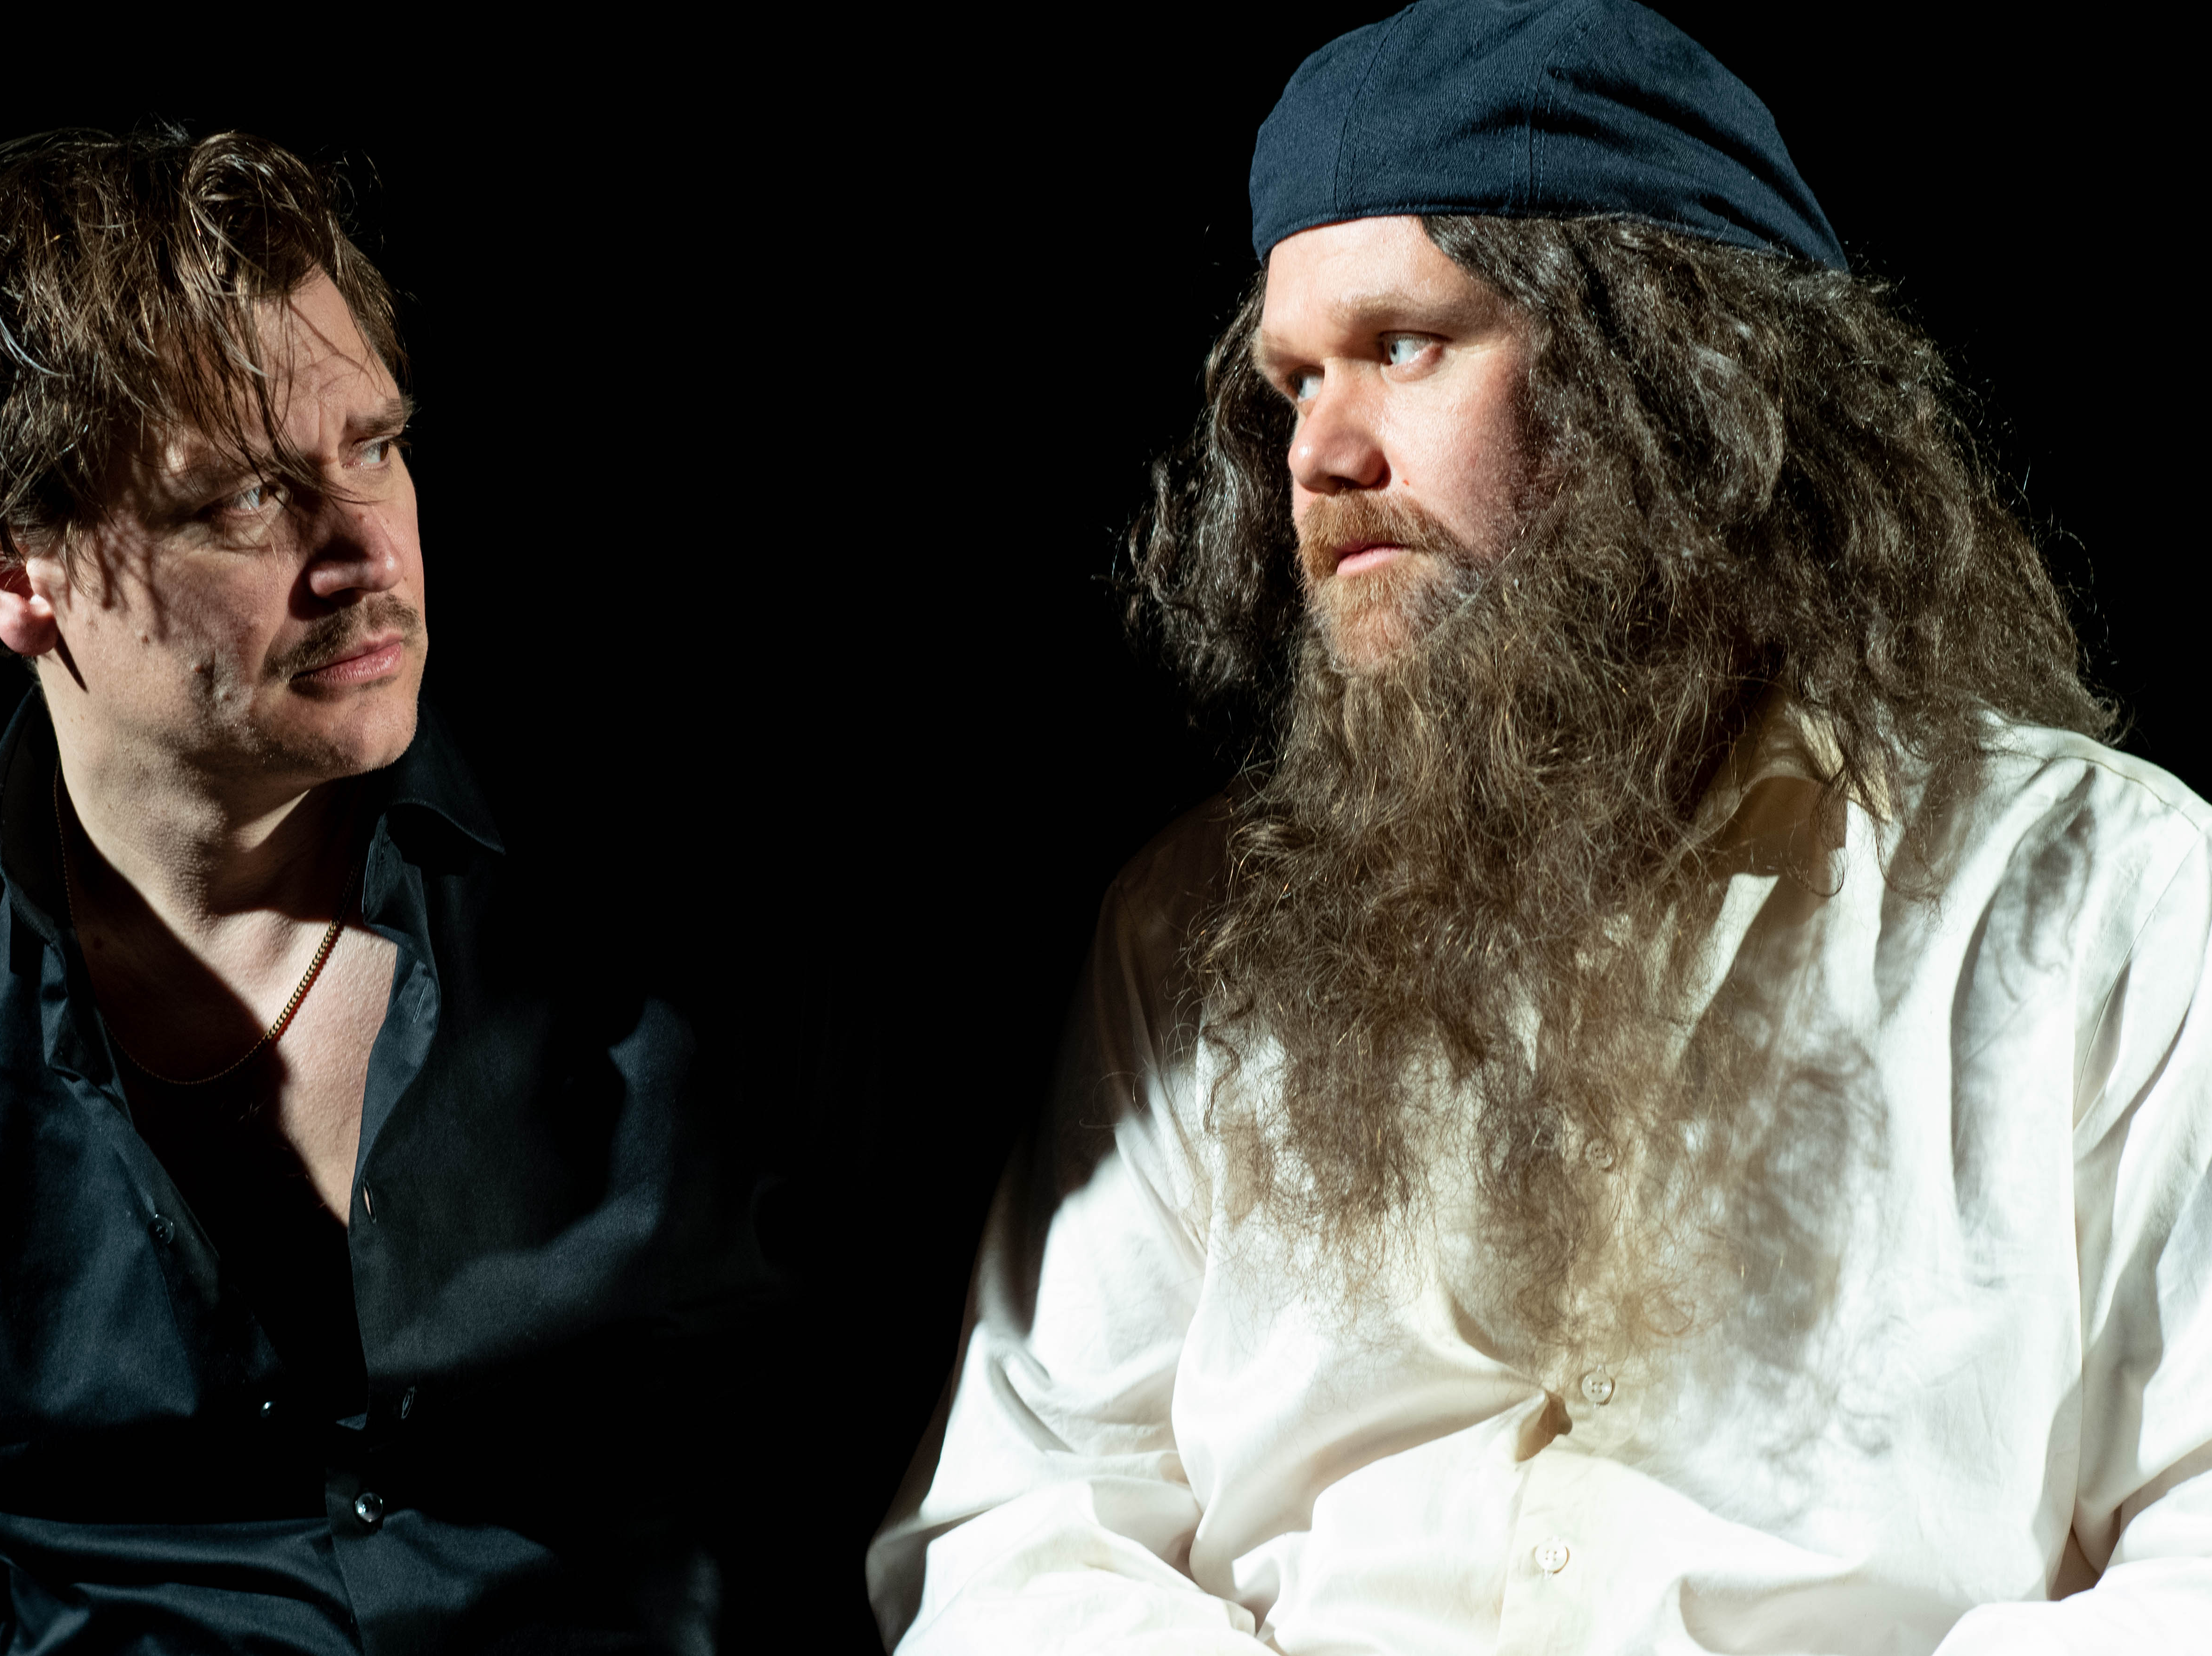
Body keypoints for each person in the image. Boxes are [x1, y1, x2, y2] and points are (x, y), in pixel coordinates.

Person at [866, 2, 2211, 1650]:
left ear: (1681, 375)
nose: (1318, 453)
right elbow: (1019, 1529)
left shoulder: (2109, 902)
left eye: (1405, 346)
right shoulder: (1191, 930)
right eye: (1294, 380)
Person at [0, 127, 774, 1653]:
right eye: (242, 500)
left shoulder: (677, 909)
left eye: (375, 447)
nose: (366, 554)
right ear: (10, 568)